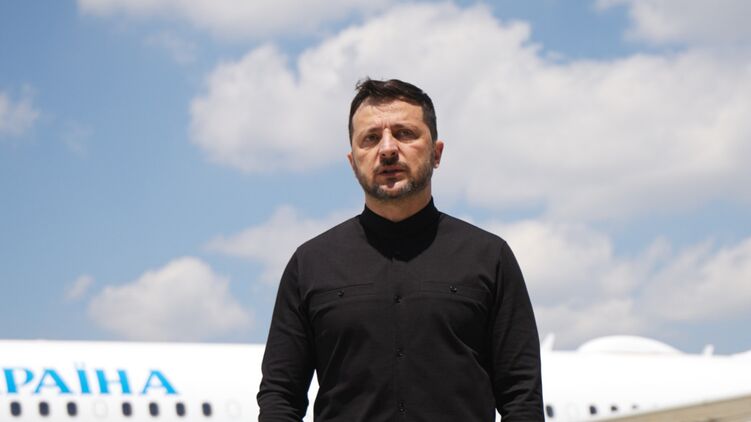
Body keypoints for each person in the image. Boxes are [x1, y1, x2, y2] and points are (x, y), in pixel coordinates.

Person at [258, 78, 543, 421]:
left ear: (436, 153)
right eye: (370, 138)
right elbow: (280, 397)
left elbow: (521, 398)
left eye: (405, 133)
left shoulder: (490, 257)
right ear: (352, 162)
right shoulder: (309, 264)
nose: (388, 149)